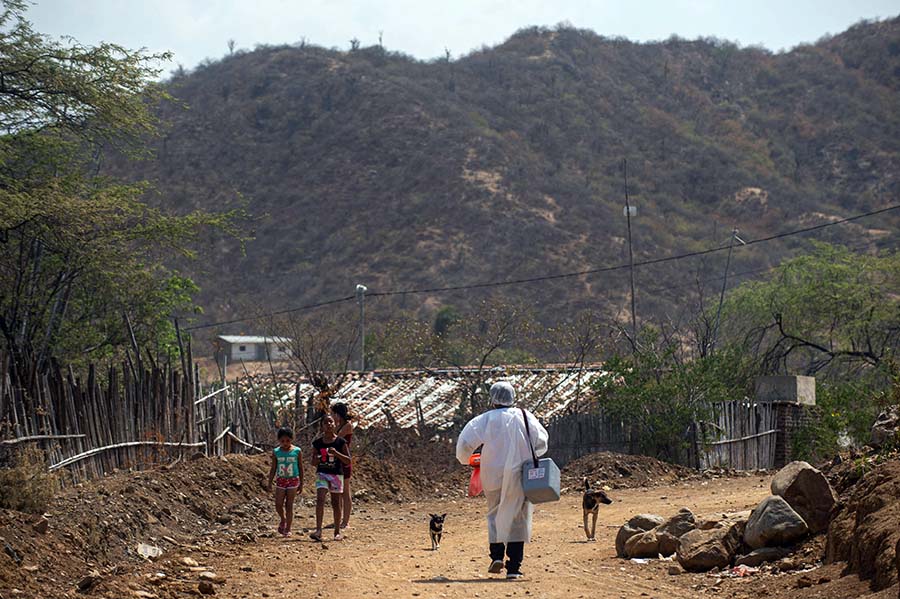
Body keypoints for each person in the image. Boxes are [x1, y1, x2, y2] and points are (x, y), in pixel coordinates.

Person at [456, 381, 549, 580]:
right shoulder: (525, 416)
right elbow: (542, 442)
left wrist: (466, 460)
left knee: (495, 514)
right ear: (513, 397)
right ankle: (514, 568)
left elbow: (464, 444)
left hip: (492, 475)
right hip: (520, 474)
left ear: (492, 398)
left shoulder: (484, 420)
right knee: (518, 517)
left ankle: (496, 556)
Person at [309, 414, 351, 541]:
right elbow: (313, 462)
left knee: (335, 503)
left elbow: (348, 460)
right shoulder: (317, 443)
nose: (329, 425)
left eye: (331, 422)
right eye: (326, 422)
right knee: (320, 499)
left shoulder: (340, 442)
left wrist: (336, 453)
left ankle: (337, 531)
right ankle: (318, 530)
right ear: (322, 426)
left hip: (336, 475)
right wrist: (317, 459)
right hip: (322, 473)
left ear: (335, 424)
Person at [266, 427, 303, 537]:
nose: (285, 443)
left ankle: (288, 528)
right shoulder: (276, 452)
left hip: (293, 480)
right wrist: (269, 482)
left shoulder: (297, 451)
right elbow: (273, 468)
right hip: (281, 480)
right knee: (278, 504)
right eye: (282, 441)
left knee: (289, 505)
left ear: (291, 439)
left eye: (287, 441)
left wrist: (301, 483)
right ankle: (283, 519)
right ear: (279, 441)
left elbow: (300, 467)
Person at [331, 402, 355, 529]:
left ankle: (345, 521)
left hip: (344, 460)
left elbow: (335, 439)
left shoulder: (347, 426)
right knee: (337, 492)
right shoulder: (338, 425)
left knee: (345, 491)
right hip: (336, 461)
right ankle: (338, 519)